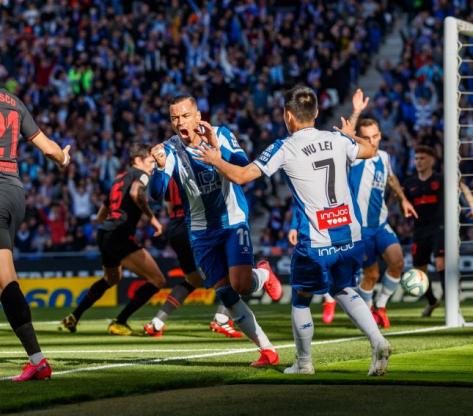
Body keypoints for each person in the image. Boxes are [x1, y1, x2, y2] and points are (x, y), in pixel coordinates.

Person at [193, 86, 391, 376]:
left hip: (316, 236)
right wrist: (353, 126)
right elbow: (371, 149)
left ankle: (304, 362)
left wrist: (214, 160)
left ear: (288, 116)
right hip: (349, 231)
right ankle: (377, 340)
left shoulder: (284, 147)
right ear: (317, 113)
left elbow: (242, 175)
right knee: (343, 288)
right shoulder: (336, 139)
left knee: (300, 296)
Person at [149, 95, 282, 367]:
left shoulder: (220, 134)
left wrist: (215, 151)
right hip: (200, 231)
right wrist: (160, 169)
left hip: (232, 221)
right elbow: (156, 194)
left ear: (198, 116)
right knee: (225, 293)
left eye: (185, 115)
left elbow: (243, 166)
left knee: (241, 284)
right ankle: (267, 350)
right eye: (174, 117)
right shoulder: (170, 149)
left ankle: (263, 273)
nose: (179, 122)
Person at [59, 144, 169, 336]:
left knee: (112, 278)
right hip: (119, 234)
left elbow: (101, 214)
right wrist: (153, 220)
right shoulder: (141, 175)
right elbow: (136, 193)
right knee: (158, 280)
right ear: (138, 160)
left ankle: (73, 317)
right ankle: (120, 322)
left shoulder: (118, 180)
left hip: (105, 233)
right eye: (151, 162)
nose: (153, 166)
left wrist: (111, 225)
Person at [0, 87, 71, 381]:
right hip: (14, 192)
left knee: (6, 282)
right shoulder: (13, 102)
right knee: (5, 279)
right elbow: (49, 148)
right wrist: (64, 160)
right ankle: (37, 361)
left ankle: (38, 360)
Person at [143, 178, 242, 338]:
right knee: (234, 272)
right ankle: (222, 319)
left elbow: (168, 205)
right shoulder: (194, 162)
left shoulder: (170, 169)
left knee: (193, 280)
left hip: (175, 228)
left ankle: (157, 322)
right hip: (195, 224)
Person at [348, 117, 418, 328]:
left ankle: (381, 306)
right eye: (366, 137)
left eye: (375, 136)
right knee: (372, 275)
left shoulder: (384, 157)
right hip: (360, 229)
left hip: (380, 223)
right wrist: (355, 113)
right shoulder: (351, 157)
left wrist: (403, 199)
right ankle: (367, 312)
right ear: (359, 138)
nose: (372, 141)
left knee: (398, 263)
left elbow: (392, 178)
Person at [403, 147, 473, 317]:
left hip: (440, 227)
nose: (418, 161)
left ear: (431, 161)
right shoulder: (410, 183)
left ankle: (451, 306)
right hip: (419, 230)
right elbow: (400, 197)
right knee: (419, 271)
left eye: (422, 158)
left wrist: (472, 207)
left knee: (440, 263)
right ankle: (432, 301)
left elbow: (462, 187)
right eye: (416, 158)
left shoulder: (441, 179)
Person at [288, 209, 337, 324]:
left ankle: (330, 299)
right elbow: (298, 202)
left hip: (329, 223)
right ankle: (328, 299)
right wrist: (294, 226)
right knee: (306, 270)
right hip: (308, 230)